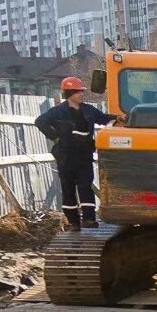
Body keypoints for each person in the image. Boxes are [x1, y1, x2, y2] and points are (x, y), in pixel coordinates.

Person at [34, 77, 116, 229]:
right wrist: (56, 138)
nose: (81, 94)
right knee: (68, 187)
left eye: (81, 92)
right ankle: (73, 221)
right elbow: (40, 122)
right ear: (69, 93)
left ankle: (89, 219)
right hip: (66, 156)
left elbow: (104, 119)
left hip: (84, 155)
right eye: (78, 92)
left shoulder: (88, 110)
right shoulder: (58, 112)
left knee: (85, 185)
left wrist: (120, 119)